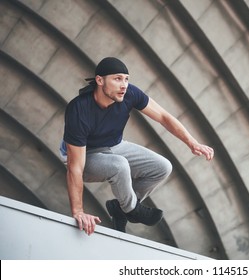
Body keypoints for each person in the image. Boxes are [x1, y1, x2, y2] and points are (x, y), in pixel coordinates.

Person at [61, 57, 214, 236]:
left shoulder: (130, 94)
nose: (124, 85)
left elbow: (164, 116)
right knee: (119, 165)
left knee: (162, 167)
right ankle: (132, 209)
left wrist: (192, 142)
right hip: (86, 156)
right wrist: (78, 211)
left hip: (116, 145)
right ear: (100, 80)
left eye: (126, 79)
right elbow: (75, 167)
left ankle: (121, 209)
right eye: (117, 79)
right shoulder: (79, 109)